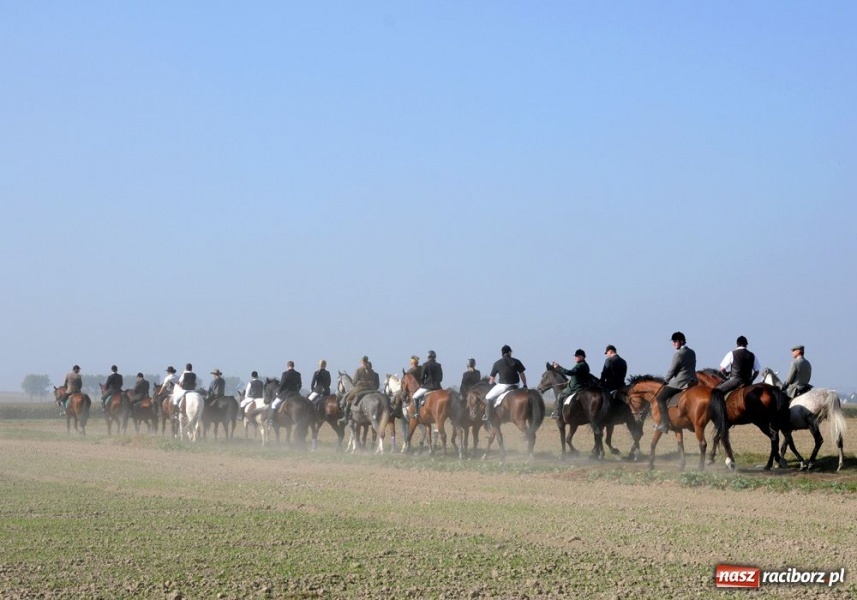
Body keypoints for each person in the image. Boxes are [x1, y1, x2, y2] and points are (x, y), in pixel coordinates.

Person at [655, 332, 698, 433]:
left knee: (660, 398)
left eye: (675, 341)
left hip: (680, 382)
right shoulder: (692, 352)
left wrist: (666, 380)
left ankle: (664, 424)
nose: (673, 343)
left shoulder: (678, 354)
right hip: (693, 381)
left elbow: (672, 370)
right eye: (673, 342)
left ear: (681, 341)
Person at [484, 345, 527, 421]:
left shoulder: (497, 363)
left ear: (502, 353)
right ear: (509, 352)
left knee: (488, 397)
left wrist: (491, 385)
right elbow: (522, 374)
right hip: (516, 385)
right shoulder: (517, 361)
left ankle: (488, 416)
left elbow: (492, 379)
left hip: (503, 385)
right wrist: (525, 384)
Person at [550, 349, 590, 419]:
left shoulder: (579, 365)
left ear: (581, 357)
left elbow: (570, 372)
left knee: (560, 395)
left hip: (575, 387)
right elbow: (579, 376)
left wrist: (558, 367)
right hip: (582, 385)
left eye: (576, 356)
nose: (575, 358)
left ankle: (558, 413)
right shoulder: (585, 365)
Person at [339, 356, 376, 424]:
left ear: (362, 362)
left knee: (348, 399)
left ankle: (346, 417)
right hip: (371, 388)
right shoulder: (372, 370)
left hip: (360, 388)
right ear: (367, 361)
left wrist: (360, 382)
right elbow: (373, 380)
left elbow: (353, 382)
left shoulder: (359, 370)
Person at [412, 350, 443, 417]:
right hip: (438, 387)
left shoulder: (425, 364)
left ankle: (416, 413)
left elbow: (422, 377)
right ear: (435, 357)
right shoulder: (438, 365)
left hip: (428, 386)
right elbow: (441, 378)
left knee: (415, 397)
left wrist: (423, 384)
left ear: (428, 357)